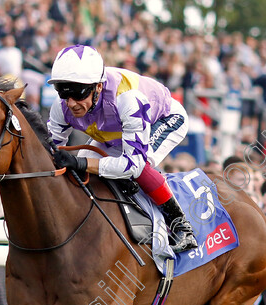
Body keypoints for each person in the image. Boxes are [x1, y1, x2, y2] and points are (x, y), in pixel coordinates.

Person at [46, 45, 198, 253]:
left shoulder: (127, 99)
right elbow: (49, 152)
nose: (71, 103)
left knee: (138, 168)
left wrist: (80, 163)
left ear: (98, 87)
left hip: (162, 119)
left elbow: (132, 165)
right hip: (115, 130)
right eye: (63, 91)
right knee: (85, 170)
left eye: (77, 92)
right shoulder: (61, 106)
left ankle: (181, 226)